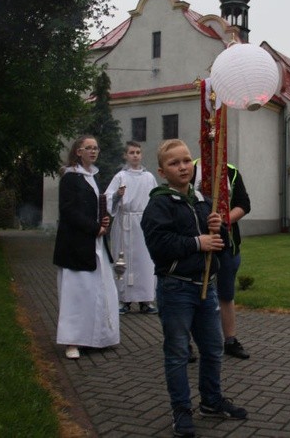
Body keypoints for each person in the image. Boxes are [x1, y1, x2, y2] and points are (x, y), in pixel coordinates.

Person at [142, 139, 248, 437]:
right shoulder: (159, 203)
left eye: (186, 160)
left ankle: (211, 401)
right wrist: (196, 243)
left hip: (207, 287)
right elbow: (159, 246)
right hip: (176, 288)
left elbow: (222, 245)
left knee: (213, 349)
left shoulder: (202, 201)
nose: (183, 167)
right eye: (174, 163)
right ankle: (181, 410)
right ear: (163, 172)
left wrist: (218, 227)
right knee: (177, 353)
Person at [53, 135, 120, 359]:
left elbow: (95, 206)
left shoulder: (92, 177)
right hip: (76, 245)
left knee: (97, 290)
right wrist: (94, 228)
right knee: (77, 293)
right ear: (78, 152)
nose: (93, 151)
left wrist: (104, 220)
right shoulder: (71, 178)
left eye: (96, 148)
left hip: (94, 243)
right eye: (88, 148)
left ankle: (97, 337)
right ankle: (72, 341)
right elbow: (70, 211)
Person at [193, 160, 252, 359]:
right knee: (192, 293)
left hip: (227, 244)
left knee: (226, 294)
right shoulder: (191, 168)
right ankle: (185, 342)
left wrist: (223, 221)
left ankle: (230, 340)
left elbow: (244, 204)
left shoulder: (231, 171)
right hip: (198, 244)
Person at [105, 141, 159, 315]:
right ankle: (124, 300)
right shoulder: (120, 176)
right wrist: (117, 195)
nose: (135, 155)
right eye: (131, 152)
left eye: (138, 152)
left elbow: (155, 199)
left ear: (141, 155)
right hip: (125, 222)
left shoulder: (149, 177)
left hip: (143, 223)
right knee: (123, 261)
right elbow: (108, 197)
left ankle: (146, 300)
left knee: (146, 262)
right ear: (125, 156)